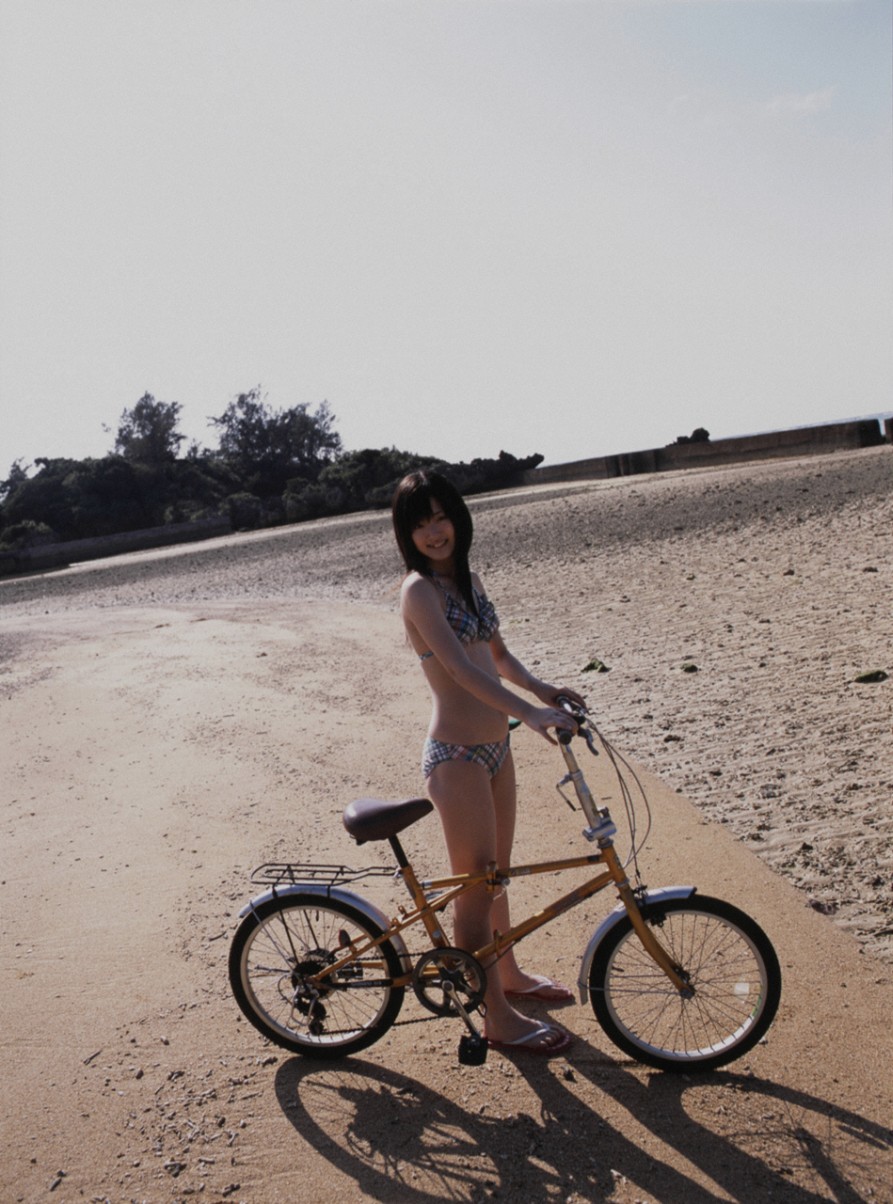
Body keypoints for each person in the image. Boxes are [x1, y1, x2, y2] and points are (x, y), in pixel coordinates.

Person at [391, 469, 587, 1056]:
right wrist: (529, 713)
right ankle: (496, 1017)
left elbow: (497, 654)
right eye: (420, 524)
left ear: (458, 518)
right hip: (456, 756)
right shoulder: (418, 591)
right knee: (475, 888)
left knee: (498, 873)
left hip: (496, 748)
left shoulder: (469, 581)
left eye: (440, 518)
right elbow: (459, 670)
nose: (434, 533)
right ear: (407, 534)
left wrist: (543, 690)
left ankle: (509, 973)